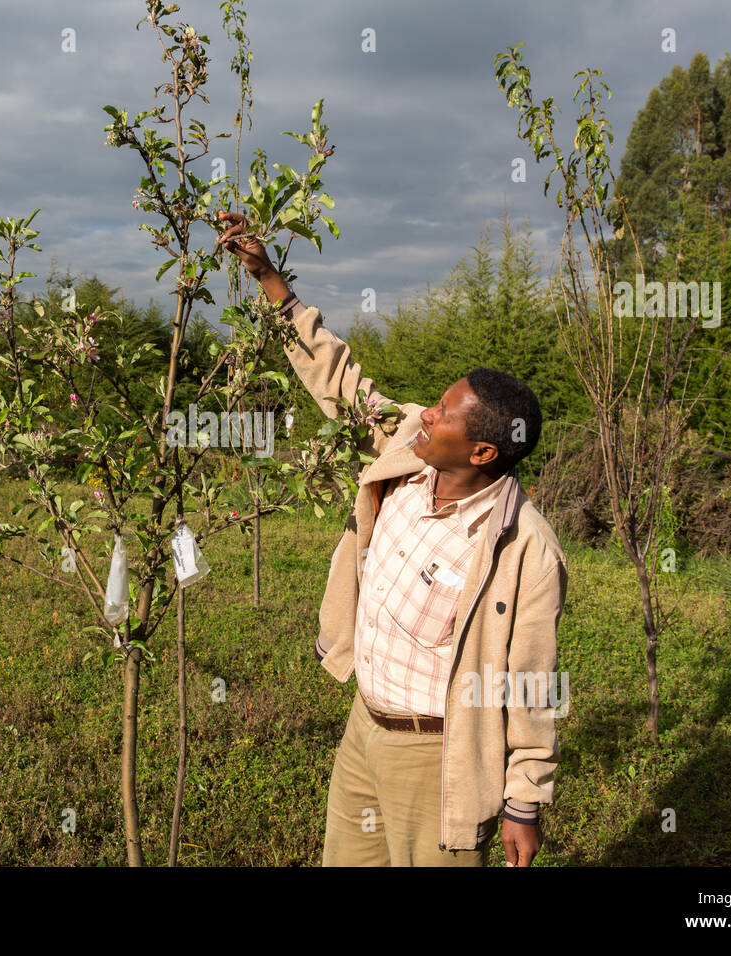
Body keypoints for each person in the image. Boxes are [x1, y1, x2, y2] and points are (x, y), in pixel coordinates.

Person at [217, 210, 568, 867]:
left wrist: (525, 801)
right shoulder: (408, 449)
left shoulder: (524, 549)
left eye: (441, 415)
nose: (424, 415)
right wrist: (270, 280)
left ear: (484, 451)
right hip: (364, 731)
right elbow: (341, 384)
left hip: (437, 760)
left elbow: (531, 683)